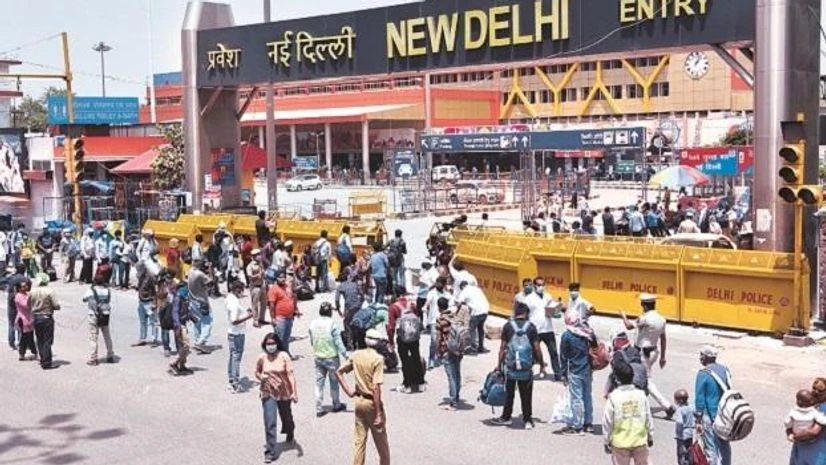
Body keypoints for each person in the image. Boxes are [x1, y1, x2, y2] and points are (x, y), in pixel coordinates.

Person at [335, 329, 391, 465]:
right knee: (382, 443)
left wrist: (348, 391)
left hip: (359, 401)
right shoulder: (377, 359)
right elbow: (376, 387)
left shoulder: (356, 355)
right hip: (371, 402)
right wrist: (378, 413)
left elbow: (339, 372)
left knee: (359, 442)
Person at [492, 302, 546, 429]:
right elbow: (537, 348)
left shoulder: (508, 326)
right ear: (526, 313)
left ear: (515, 313)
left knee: (509, 393)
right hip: (526, 368)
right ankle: (527, 420)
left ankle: (506, 417)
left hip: (510, 367)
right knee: (526, 394)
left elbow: (502, 348)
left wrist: (499, 365)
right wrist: (542, 364)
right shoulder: (531, 327)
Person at [620, 293, 674, 418]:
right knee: (640, 377)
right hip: (654, 351)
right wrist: (662, 357)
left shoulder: (644, 319)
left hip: (643, 353)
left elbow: (628, 326)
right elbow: (663, 338)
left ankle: (666, 406)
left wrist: (623, 315)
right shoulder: (661, 319)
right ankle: (640, 400)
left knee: (646, 380)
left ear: (643, 306)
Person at [256, 332, 298, 464]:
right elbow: (256, 372)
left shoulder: (284, 356)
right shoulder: (262, 357)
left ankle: (289, 429)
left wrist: (294, 392)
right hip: (268, 391)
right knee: (270, 421)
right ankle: (270, 451)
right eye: (268, 344)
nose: (271, 346)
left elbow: (290, 375)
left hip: (284, 392)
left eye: (272, 343)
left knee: (286, 416)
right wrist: (260, 377)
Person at [603, 360, 655, 464]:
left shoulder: (613, 397)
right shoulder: (641, 395)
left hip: (620, 442)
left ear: (616, 379)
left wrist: (606, 440)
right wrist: (650, 435)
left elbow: (607, 421)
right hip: (639, 440)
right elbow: (648, 417)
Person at [308, 301, 349, 416]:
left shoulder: (313, 323)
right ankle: (336, 404)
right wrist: (345, 355)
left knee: (319, 383)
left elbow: (312, 340)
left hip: (318, 356)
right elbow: (338, 341)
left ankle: (319, 407)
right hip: (332, 357)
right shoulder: (332, 323)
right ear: (330, 312)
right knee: (334, 382)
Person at [559, 309, 596, 434]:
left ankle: (577, 425)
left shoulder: (567, 336)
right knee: (587, 396)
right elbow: (595, 344)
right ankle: (588, 423)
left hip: (575, 370)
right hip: (587, 369)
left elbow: (563, 357)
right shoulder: (586, 333)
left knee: (577, 399)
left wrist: (563, 374)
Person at [695, 345, 732, 465]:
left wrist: (698, 420)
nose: (700, 358)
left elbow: (700, 399)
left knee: (711, 447)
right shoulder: (725, 370)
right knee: (724, 445)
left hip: (710, 415)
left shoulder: (703, 373)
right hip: (725, 414)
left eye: (701, 355)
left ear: (706, 357)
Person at [526, 277, 562, 380]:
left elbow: (552, 310)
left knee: (554, 352)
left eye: (542, 284)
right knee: (533, 353)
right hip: (535, 330)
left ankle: (558, 374)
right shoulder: (529, 299)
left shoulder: (548, 296)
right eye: (539, 285)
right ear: (534, 286)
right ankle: (528, 373)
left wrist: (555, 312)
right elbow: (525, 313)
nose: (541, 287)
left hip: (548, 329)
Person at [789, 378, 826, 465]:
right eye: (814, 388)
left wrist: (794, 437)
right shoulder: (810, 403)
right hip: (801, 446)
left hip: (817, 449)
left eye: (820, 390)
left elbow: (814, 432)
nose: (816, 392)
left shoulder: (824, 407)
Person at [226, 280, 254, 393]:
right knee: (237, 358)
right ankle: (235, 383)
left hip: (233, 332)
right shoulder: (234, 303)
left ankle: (231, 380)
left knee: (233, 357)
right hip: (237, 333)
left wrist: (245, 313)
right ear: (237, 290)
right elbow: (234, 320)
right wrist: (249, 316)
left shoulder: (230, 299)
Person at [435, 297, 463, 410]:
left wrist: (438, 351)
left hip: (447, 350)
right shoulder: (454, 316)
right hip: (458, 349)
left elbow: (438, 337)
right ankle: (457, 395)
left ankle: (453, 401)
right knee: (457, 372)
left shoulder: (440, 319)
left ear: (438, 307)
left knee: (451, 375)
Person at [29, 272, 61, 370]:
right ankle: (47, 363)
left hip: (36, 317)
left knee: (40, 339)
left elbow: (28, 303)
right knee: (47, 340)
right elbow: (56, 305)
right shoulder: (50, 291)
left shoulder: (32, 291)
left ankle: (43, 358)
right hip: (47, 317)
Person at [83, 273, 115, 366]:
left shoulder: (91, 290)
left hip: (94, 314)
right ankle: (110, 355)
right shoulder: (107, 290)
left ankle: (94, 358)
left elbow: (84, 299)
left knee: (93, 337)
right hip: (105, 314)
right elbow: (108, 300)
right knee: (107, 335)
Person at [394, 298, 425, 393]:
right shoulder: (415, 317)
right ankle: (421, 384)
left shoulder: (401, 318)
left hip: (403, 341)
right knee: (416, 359)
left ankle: (407, 385)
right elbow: (421, 328)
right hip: (415, 341)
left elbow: (398, 330)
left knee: (405, 362)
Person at [268, 271, 301, 357]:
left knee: (286, 338)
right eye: (280, 277)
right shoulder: (274, 289)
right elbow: (271, 305)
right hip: (280, 318)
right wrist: (273, 318)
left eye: (283, 277)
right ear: (276, 278)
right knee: (280, 338)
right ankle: (277, 356)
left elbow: (292, 299)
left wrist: (296, 310)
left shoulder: (287, 287)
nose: (282, 279)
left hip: (289, 317)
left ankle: (286, 354)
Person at [457, 280, 490, 354]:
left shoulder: (464, 291)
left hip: (476, 311)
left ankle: (472, 348)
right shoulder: (476, 289)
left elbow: (459, 303)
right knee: (480, 329)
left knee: (471, 330)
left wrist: (456, 312)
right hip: (485, 310)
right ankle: (481, 347)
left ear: (462, 286)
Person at [187, 259, 213, 352]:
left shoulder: (190, 272)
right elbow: (210, 283)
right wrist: (210, 270)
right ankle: (201, 341)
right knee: (207, 322)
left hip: (192, 300)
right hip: (202, 301)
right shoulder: (200, 274)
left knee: (197, 322)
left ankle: (198, 340)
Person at [337, 268, 365, 350]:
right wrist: (360, 304)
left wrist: (339, 310)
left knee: (347, 325)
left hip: (349, 308)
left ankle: (350, 345)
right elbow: (362, 295)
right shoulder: (355, 284)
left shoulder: (340, 287)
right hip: (357, 307)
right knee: (357, 324)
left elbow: (337, 300)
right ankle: (358, 343)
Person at [423, 277, 449, 369]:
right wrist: (425, 308)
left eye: (440, 283)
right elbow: (427, 303)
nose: (438, 285)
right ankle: (431, 359)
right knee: (434, 340)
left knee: (444, 340)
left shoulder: (447, 294)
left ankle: (441, 356)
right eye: (437, 283)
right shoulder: (432, 293)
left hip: (445, 320)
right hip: (434, 320)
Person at [169, 281, 193, 375]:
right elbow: (175, 312)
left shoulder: (184, 298)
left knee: (183, 346)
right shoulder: (178, 297)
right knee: (185, 346)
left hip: (183, 323)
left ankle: (182, 365)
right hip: (179, 325)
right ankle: (174, 363)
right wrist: (178, 325)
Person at [14, 279, 36, 361]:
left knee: (30, 336)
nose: (26, 287)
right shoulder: (18, 296)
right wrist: (30, 298)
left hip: (29, 318)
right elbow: (26, 305)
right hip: (22, 319)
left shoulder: (26, 294)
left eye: (26, 285)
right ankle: (21, 353)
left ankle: (34, 352)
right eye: (23, 286)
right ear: (19, 288)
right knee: (24, 337)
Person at [6, 263, 26, 350]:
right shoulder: (26, 279)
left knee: (11, 323)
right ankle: (20, 341)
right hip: (22, 302)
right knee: (21, 322)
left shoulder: (11, 278)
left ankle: (11, 342)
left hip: (11, 302)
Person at [674, 389, 695, 465]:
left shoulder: (680, 410)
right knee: (689, 452)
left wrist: (679, 434)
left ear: (680, 401)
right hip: (690, 433)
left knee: (681, 454)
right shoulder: (691, 407)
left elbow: (679, 422)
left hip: (682, 435)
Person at [247, 249, 267, 327]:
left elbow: (263, 273)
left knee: (264, 303)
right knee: (255, 305)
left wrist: (263, 274)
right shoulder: (250, 266)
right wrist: (258, 275)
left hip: (262, 285)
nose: (260, 256)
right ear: (254, 256)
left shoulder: (260, 264)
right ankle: (255, 321)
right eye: (258, 255)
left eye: (260, 254)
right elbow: (250, 278)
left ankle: (261, 319)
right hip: (255, 287)